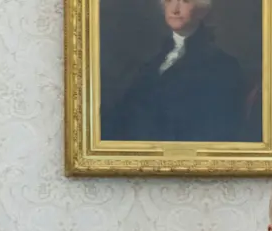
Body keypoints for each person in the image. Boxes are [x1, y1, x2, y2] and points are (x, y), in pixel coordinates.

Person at [101, 0, 260, 143]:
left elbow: (215, 128)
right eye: (169, 1)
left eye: (185, 1)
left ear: (202, 10)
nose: (175, 9)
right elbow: (127, 111)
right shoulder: (152, 60)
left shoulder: (222, 65)